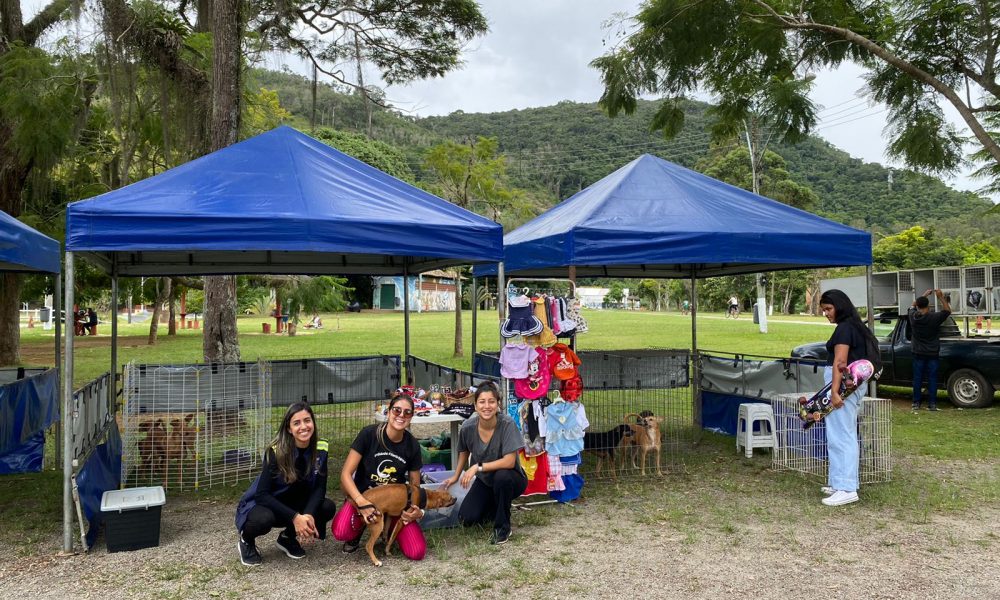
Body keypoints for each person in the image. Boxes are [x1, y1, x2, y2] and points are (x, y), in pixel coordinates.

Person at [235, 402, 336, 566]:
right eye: (297, 423)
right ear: (289, 429)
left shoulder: (321, 447)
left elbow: (319, 488)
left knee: (326, 507)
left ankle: (287, 538)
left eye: (307, 420)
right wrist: (295, 518)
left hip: (294, 501)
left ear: (313, 423)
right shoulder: (275, 451)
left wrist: (308, 515)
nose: (304, 427)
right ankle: (246, 540)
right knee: (263, 519)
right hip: (267, 503)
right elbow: (262, 495)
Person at [333, 392, 428, 559]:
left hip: (393, 505)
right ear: (388, 412)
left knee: (417, 551)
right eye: (397, 410)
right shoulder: (369, 434)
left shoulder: (412, 445)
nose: (401, 416)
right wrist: (362, 503)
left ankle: (388, 530)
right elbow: (345, 474)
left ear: (411, 416)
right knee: (342, 531)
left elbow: (415, 487)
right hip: (362, 497)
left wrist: (416, 510)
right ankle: (360, 529)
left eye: (407, 412)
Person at [444, 382, 527, 545]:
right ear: (475, 405)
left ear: (498, 404)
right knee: (466, 518)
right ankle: (497, 506)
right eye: (482, 402)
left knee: (502, 477)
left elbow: (509, 462)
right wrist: (456, 476)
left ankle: (503, 528)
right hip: (485, 480)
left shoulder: (507, 424)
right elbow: (464, 451)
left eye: (491, 401)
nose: (487, 406)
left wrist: (477, 466)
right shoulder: (468, 427)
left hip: (511, 478)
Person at [818, 289, 878, 507]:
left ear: (840, 307)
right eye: (823, 309)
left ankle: (846, 487)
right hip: (850, 386)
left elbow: (840, 362)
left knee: (841, 435)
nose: (826, 313)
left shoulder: (844, 329)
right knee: (841, 433)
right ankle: (838, 481)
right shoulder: (856, 327)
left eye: (828, 309)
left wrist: (834, 391)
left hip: (842, 387)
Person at [908, 289, 951, 411]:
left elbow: (912, 305)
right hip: (932, 353)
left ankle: (916, 403)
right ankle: (932, 404)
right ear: (928, 306)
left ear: (918, 306)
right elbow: (948, 311)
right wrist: (941, 297)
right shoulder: (934, 317)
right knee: (932, 378)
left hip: (917, 353)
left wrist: (924, 295)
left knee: (918, 378)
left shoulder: (913, 317)